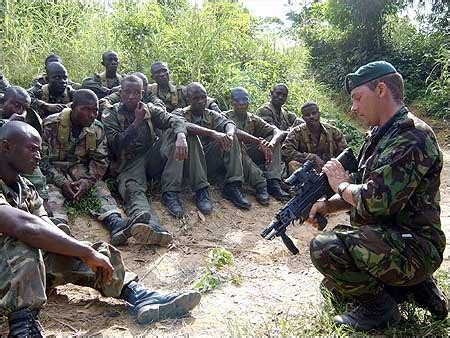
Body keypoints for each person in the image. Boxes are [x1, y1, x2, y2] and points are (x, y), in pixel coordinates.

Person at [0, 121, 201, 336]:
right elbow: (23, 226)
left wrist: (85, 251)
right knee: (23, 246)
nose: (38, 156)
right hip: (9, 269)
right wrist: (85, 253)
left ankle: (136, 294)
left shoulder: (25, 187)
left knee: (71, 246)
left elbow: (45, 225)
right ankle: (23, 328)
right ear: (6, 147)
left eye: (40, 150)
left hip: (13, 277)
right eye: (32, 149)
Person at [308, 61, 447, 331]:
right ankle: (414, 290)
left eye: (357, 98)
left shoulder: (411, 136)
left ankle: (381, 309)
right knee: (335, 289)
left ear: (381, 89)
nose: (353, 108)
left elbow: (374, 200)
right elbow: (363, 187)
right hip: (392, 237)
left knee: (325, 249)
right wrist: (325, 206)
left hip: (416, 247)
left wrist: (339, 185)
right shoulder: (381, 135)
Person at [41, 89, 157, 246]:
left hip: (79, 169)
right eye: (86, 109)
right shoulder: (51, 124)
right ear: (73, 107)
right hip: (53, 170)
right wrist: (62, 182)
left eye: (95, 110)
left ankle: (116, 224)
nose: (92, 114)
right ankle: (59, 227)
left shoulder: (96, 129)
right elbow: (41, 161)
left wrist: (87, 182)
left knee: (99, 188)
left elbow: (101, 161)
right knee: (51, 192)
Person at [102, 75, 188, 240]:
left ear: (142, 94)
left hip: (151, 158)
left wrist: (181, 137)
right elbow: (115, 144)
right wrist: (136, 122)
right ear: (121, 93)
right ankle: (150, 224)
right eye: (127, 92)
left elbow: (174, 120)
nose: (131, 96)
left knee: (173, 133)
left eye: (136, 93)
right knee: (133, 190)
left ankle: (170, 191)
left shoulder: (149, 108)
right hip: (127, 163)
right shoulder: (110, 113)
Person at [173, 82, 252, 210]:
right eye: (196, 98)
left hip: (207, 160)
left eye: (203, 97)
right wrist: (212, 133)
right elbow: (182, 124)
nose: (201, 101)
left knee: (231, 137)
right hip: (188, 163)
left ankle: (233, 185)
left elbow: (228, 123)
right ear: (188, 99)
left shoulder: (211, 115)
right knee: (192, 136)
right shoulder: (179, 113)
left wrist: (229, 134)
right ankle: (201, 190)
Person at [224, 87, 289, 205]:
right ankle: (260, 184)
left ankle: (273, 181)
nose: (242, 103)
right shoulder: (224, 116)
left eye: (245, 99)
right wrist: (258, 142)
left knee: (272, 140)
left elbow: (277, 132)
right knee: (237, 145)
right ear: (231, 102)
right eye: (237, 100)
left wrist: (271, 144)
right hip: (231, 158)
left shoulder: (253, 119)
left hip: (249, 154)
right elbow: (234, 132)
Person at [0, 86, 50, 211]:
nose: (20, 111)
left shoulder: (26, 120)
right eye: (17, 105)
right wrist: (8, 124)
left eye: (25, 108)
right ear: (2, 103)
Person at [282, 101, 348, 174]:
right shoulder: (297, 132)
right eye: (307, 115)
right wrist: (311, 157)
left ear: (319, 114)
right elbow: (285, 152)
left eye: (314, 113)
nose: (311, 117)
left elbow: (345, 153)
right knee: (293, 164)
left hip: (330, 169)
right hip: (307, 171)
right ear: (303, 118)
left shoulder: (333, 131)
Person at [150, 61, 222, 113]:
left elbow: (202, 97)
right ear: (152, 77)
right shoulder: (150, 91)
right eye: (157, 72)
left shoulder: (180, 91)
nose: (162, 74)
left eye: (164, 71)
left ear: (169, 73)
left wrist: (213, 106)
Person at [98, 71, 165, 118]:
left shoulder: (148, 93)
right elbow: (103, 102)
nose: (144, 87)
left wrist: (149, 110)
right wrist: (115, 111)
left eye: (145, 84)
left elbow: (159, 104)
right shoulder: (121, 93)